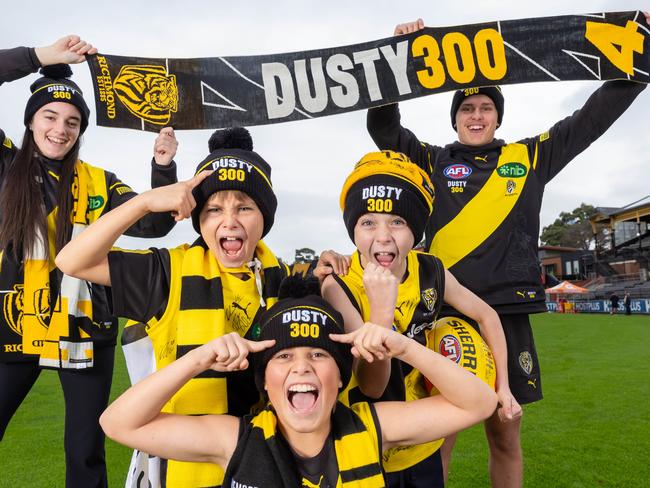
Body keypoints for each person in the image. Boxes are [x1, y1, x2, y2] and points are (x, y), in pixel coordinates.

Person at [366, 14, 649, 487]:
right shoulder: (432, 160)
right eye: (466, 108)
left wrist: (640, 54)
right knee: (437, 438)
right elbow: (383, 127)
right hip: (442, 315)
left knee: (505, 434)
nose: (476, 115)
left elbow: (592, 118)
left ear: (498, 117)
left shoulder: (530, 156)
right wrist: (400, 64)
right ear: (454, 118)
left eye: (485, 107)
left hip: (509, 315)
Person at [98, 276, 498, 487]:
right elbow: (118, 423)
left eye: (319, 354)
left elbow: (478, 404)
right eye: (284, 356)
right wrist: (198, 358)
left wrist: (403, 348)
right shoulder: (238, 440)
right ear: (266, 383)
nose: (301, 367)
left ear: (340, 377)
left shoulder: (370, 427)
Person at [56, 127, 289, 488]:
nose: (229, 220)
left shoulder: (285, 281)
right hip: (187, 464)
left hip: (271, 463)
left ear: (265, 217)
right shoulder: (168, 271)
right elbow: (72, 261)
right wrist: (145, 202)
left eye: (244, 206)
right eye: (213, 209)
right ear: (199, 220)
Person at [0, 36, 178, 488]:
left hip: (84, 329)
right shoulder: (6, 165)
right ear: (30, 121)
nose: (60, 129)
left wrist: (162, 168)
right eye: (50, 117)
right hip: (13, 323)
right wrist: (40, 57)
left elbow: (154, 226)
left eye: (73, 122)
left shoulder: (100, 182)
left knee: (85, 452)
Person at [322, 151, 520, 487]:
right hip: (368, 441)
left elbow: (486, 315)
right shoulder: (338, 285)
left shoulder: (430, 270)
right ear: (353, 230)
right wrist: (382, 315)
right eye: (368, 222)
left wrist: (504, 387)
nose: (383, 235)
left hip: (422, 439)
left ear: (415, 229)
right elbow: (372, 385)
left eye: (397, 222)